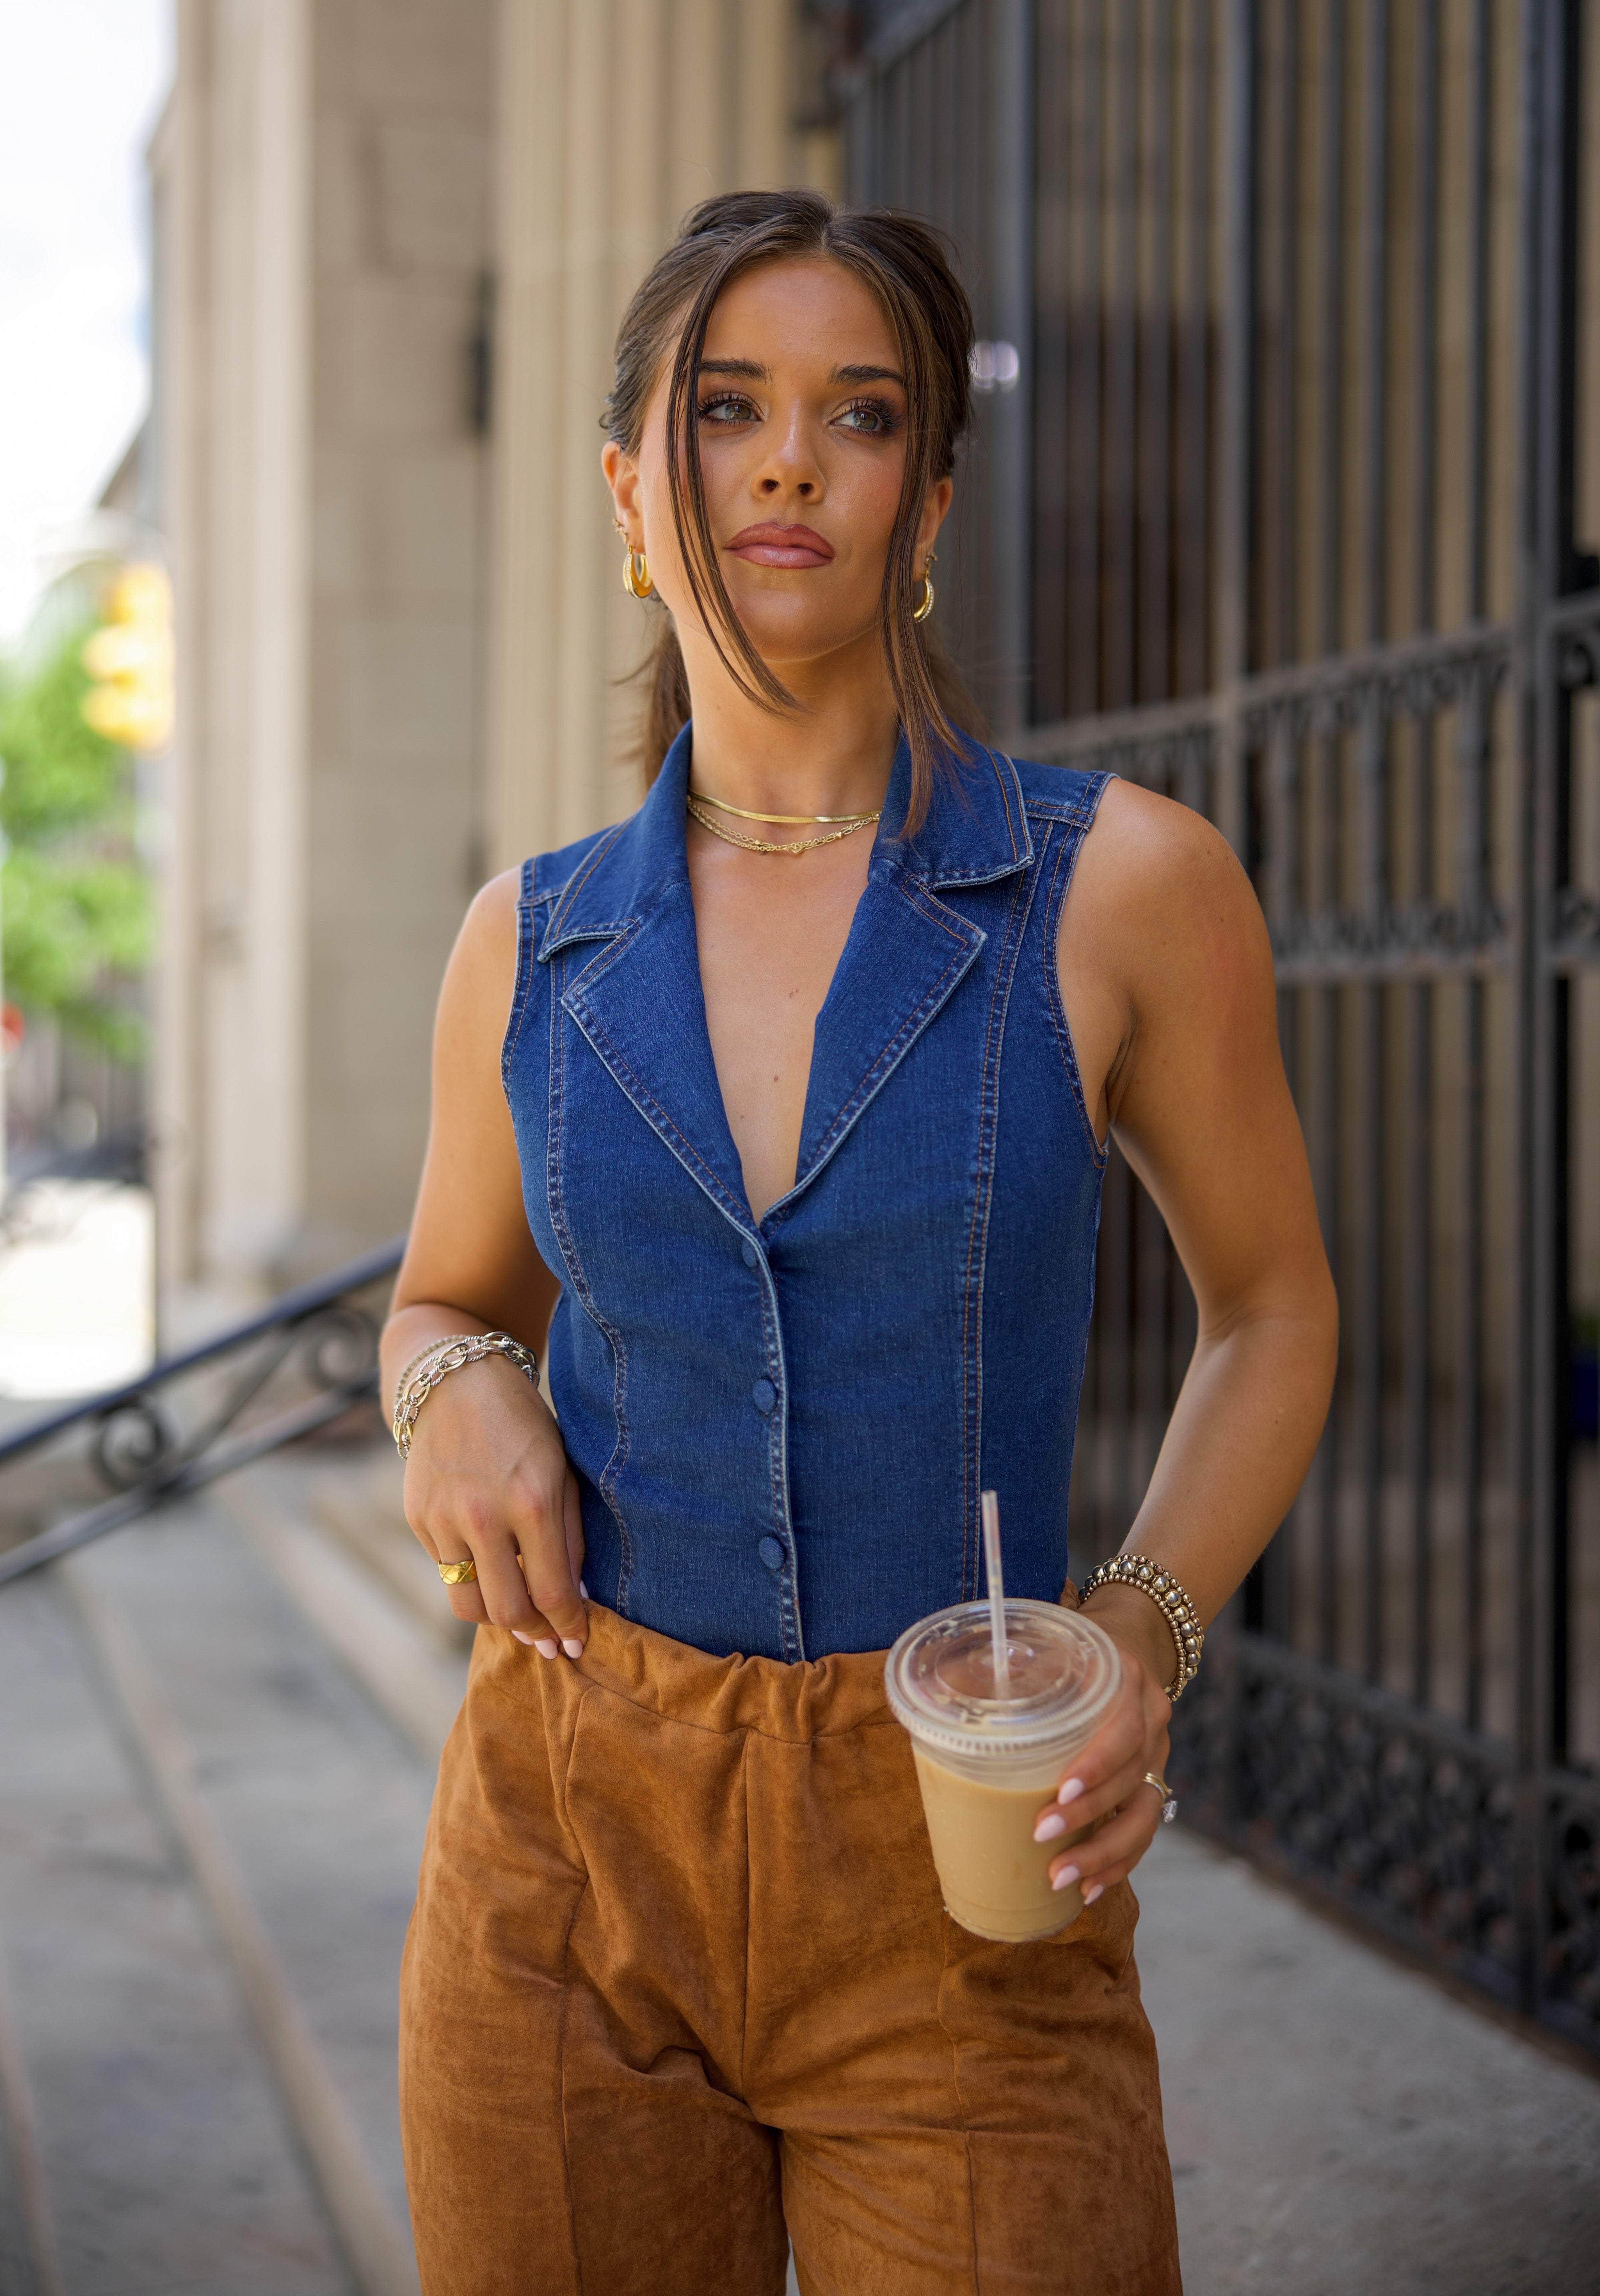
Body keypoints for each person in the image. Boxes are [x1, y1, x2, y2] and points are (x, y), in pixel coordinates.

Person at [384, 189, 1337, 2296]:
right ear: (636, 491)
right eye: (727, 410)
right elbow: (442, 1296)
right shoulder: (527, 947)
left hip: (965, 1862)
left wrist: (1142, 1640)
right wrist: (454, 1401)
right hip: (567, 1850)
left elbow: (1273, 1312)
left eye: (861, 412)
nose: (791, 458)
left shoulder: (1119, 892)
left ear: (928, 498)